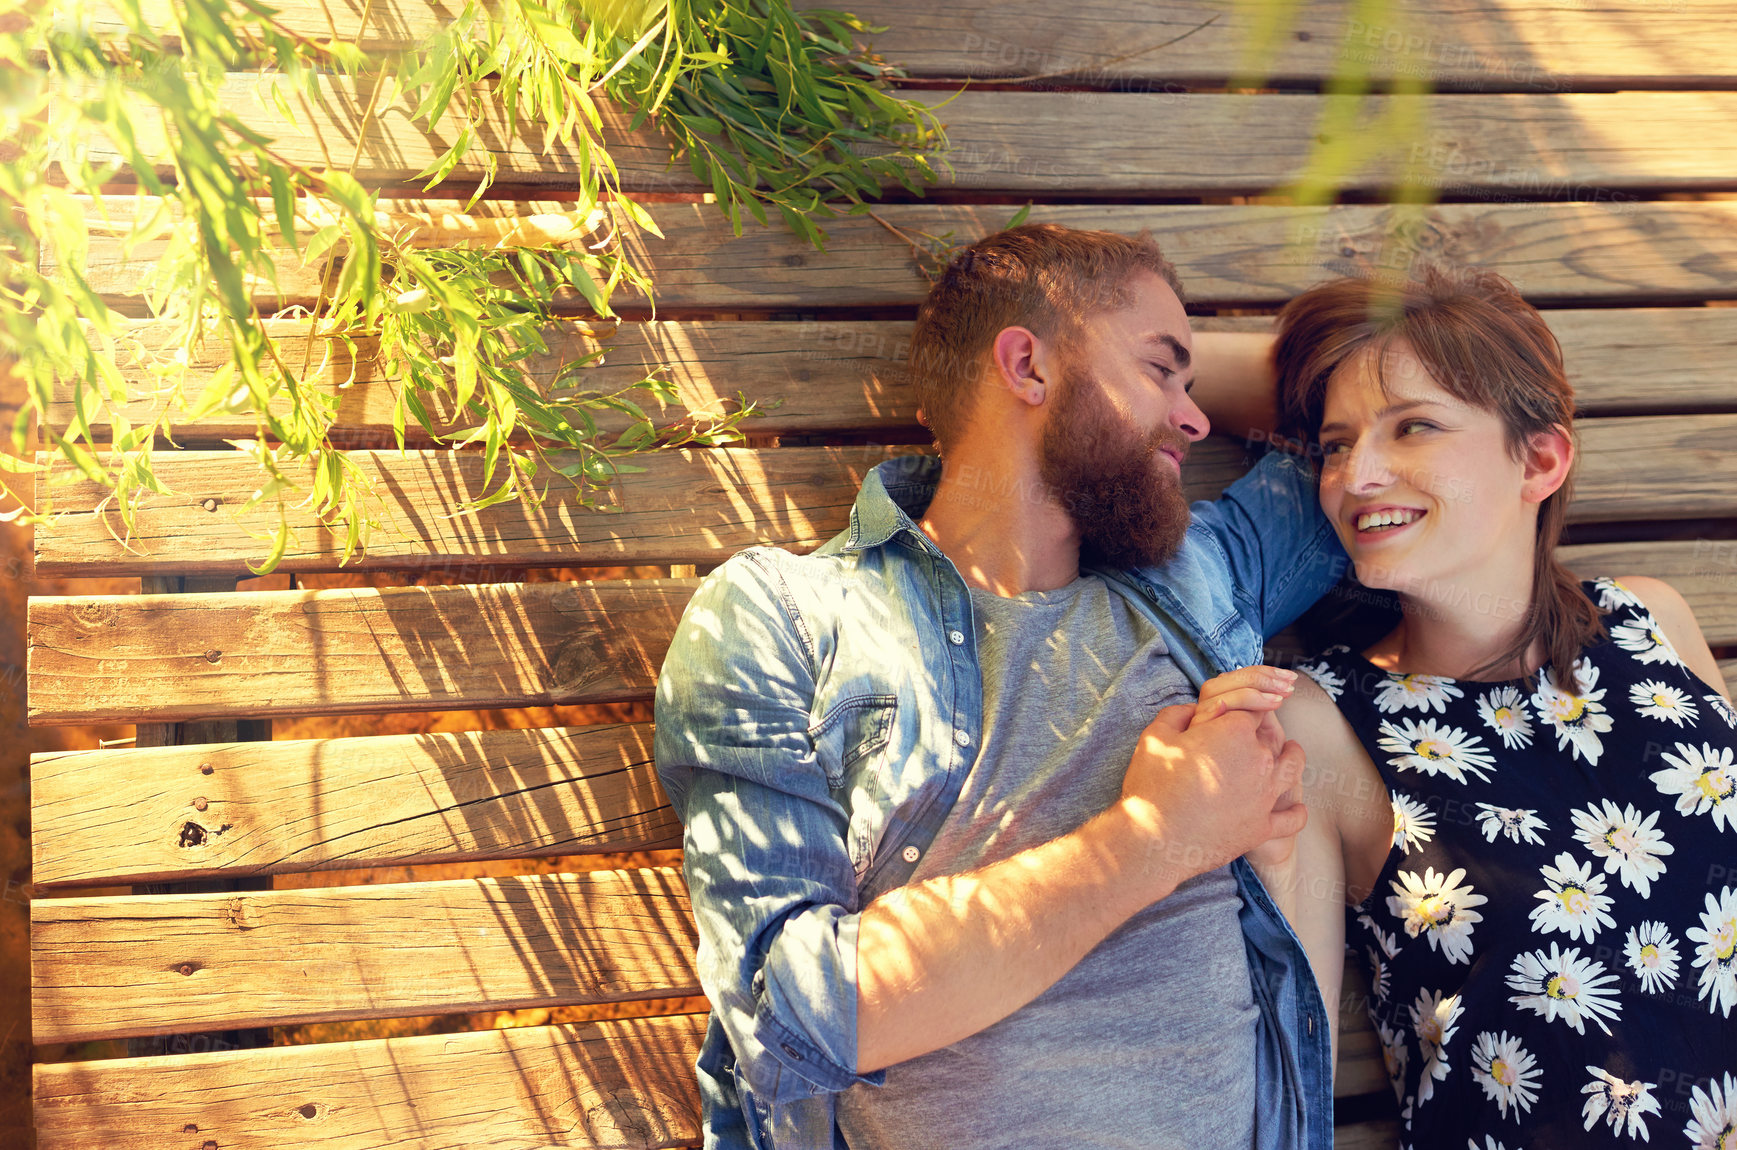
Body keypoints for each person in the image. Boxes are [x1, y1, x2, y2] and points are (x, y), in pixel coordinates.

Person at [653, 223, 1347, 1149]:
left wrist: (1139, 358)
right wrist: (1157, 838)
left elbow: (1363, 404)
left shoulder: (1199, 573)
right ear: (1025, 366)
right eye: (1161, 371)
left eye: (1192, 382)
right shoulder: (785, 616)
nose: (1193, 419)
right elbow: (795, 1018)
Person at [1251, 267, 1737, 1149]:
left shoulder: (1651, 623)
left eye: (1414, 426)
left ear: (1540, 460)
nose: (1354, 475)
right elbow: (1290, 1088)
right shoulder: (1318, 726)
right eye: (1331, 442)